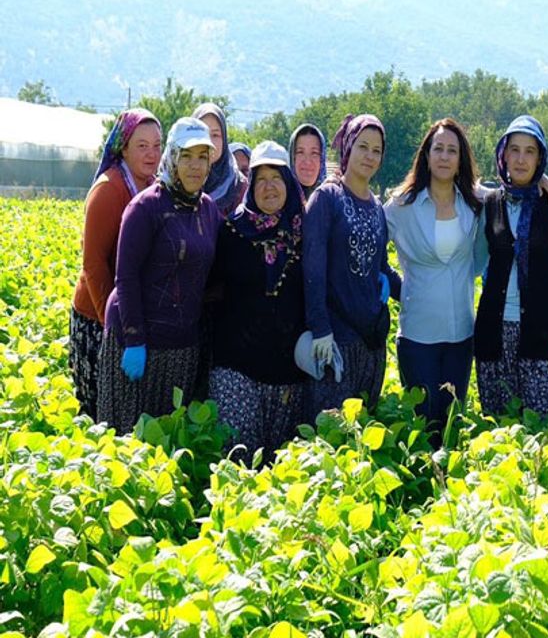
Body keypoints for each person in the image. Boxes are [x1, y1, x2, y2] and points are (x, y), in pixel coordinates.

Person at [97, 117, 220, 432]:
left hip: (182, 346)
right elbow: (126, 278)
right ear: (173, 158)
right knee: (127, 439)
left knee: (168, 438)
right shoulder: (146, 207)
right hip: (138, 343)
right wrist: (135, 340)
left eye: (203, 157)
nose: (195, 166)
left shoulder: (208, 210)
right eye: (187, 156)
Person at [384, 118, 486, 434]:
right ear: (426, 156)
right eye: (437, 149)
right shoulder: (402, 205)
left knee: (452, 427)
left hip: (461, 337)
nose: (444, 156)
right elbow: (369, 248)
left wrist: (546, 182)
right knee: (424, 425)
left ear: (460, 160)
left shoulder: (476, 202)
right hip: (418, 336)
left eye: (451, 151)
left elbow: (518, 184)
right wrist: (397, 288)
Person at [208, 141, 309, 459]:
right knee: (239, 463)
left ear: (288, 184)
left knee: (280, 469)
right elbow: (210, 290)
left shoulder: (303, 232)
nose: (268, 187)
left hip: (288, 371)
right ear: (250, 186)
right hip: (236, 368)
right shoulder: (232, 231)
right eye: (260, 179)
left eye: (276, 178)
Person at [474, 115, 548, 419]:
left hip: (542, 332)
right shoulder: (491, 203)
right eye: (514, 150)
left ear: (540, 157)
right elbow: (477, 263)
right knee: (498, 423)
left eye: (530, 151)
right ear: (503, 154)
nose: (521, 159)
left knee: (542, 425)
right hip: (494, 332)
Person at [303, 114, 401, 415]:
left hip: (371, 341)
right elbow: (313, 269)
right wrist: (320, 329)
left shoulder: (376, 207)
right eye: (363, 147)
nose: (370, 156)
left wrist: (412, 289)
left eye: (376, 150)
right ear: (348, 148)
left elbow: (381, 267)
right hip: (335, 340)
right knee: (331, 434)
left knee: (362, 434)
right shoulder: (327, 198)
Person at [70, 108, 163, 418]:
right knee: (100, 408)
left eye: (157, 145)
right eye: (142, 145)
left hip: (131, 317)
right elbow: (93, 265)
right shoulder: (110, 190)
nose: (152, 154)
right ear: (123, 147)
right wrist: (113, 327)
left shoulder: (153, 187)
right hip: (98, 317)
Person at [192, 103, 247, 217]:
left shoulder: (239, 186)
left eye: (215, 135)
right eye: (202, 133)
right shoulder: (176, 182)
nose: (209, 142)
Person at [289, 123, 327, 200]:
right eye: (300, 152)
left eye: (314, 153)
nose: (307, 161)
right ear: (293, 157)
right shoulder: (279, 200)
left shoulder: (333, 199)